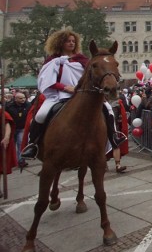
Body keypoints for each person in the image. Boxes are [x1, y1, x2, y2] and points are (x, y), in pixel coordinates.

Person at [21, 29, 126, 159]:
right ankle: (33, 145)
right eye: (68, 41)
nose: (71, 43)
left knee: (108, 109)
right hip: (59, 95)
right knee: (41, 114)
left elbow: (92, 77)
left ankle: (114, 136)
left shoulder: (82, 60)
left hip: (82, 94)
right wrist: (66, 88)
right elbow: (49, 81)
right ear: (60, 43)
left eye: (73, 41)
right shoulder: (53, 60)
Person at [5, 91, 30, 165]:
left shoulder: (28, 105)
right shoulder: (9, 106)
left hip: (22, 128)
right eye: (21, 98)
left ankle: (21, 160)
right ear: (15, 99)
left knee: (21, 143)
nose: (23, 99)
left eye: (24, 98)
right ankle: (9, 161)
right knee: (11, 145)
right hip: (12, 129)